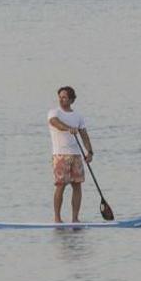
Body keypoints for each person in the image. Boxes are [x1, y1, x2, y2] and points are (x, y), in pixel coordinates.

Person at [47, 86, 93, 223]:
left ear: (71, 100)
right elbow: (54, 123)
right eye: (60, 97)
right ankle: (57, 219)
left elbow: (84, 135)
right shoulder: (54, 112)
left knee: (77, 186)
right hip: (60, 155)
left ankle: (75, 218)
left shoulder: (78, 116)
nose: (61, 100)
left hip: (76, 155)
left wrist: (89, 152)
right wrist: (68, 129)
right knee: (60, 185)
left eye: (65, 97)